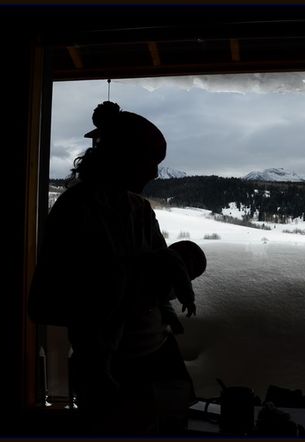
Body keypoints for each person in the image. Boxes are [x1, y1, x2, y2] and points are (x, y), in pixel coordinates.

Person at [28, 101, 197, 434]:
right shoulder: (75, 210)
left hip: (157, 354)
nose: (155, 173)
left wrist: (163, 300)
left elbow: (160, 265)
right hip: (110, 368)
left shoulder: (139, 210)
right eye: (150, 161)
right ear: (122, 157)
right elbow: (44, 302)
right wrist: (119, 288)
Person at [161, 240, 207, 335]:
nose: (188, 281)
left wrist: (172, 320)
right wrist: (188, 299)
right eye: (188, 277)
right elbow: (177, 268)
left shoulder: (160, 284)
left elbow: (161, 301)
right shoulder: (164, 262)